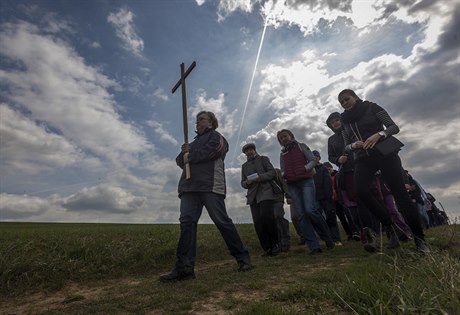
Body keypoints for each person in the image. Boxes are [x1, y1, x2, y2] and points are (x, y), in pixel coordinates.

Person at [160, 111, 252, 282]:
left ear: (211, 123)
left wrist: (191, 156)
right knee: (187, 224)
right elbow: (181, 162)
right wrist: (184, 153)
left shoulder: (217, 137)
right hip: (189, 187)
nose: (197, 122)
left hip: (210, 185)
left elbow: (214, 151)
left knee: (221, 221)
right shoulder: (192, 143)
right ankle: (184, 269)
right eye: (196, 120)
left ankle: (243, 258)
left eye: (201, 119)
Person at [338, 89, 428, 252]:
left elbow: (394, 127)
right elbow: (346, 145)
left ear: (355, 97)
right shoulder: (344, 120)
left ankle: (420, 239)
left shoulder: (372, 107)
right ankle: (390, 226)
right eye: (341, 102)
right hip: (363, 158)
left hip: (385, 153)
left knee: (400, 195)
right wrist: (353, 145)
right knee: (360, 191)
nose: (344, 103)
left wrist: (379, 134)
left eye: (346, 99)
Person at [277, 129, 334, 255]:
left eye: (284, 136)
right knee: (301, 216)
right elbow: (282, 169)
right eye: (280, 138)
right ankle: (313, 246)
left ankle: (327, 237)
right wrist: (284, 174)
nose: (283, 139)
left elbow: (313, 160)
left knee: (310, 210)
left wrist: (304, 168)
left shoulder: (301, 146)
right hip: (293, 184)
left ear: (291, 135)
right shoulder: (282, 154)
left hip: (306, 181)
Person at [241, 143, 280, 256]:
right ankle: (267, 248)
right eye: (247, 151)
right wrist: (246, 183)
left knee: (266, 217)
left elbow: (272, 173)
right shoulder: (244, 166)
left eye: (251, 150)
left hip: (266, 192)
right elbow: (242, 182)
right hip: (253, 196)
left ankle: (276, 244)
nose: (249, 152)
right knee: (258, 222)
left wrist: (260, 177)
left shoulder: (263, 159)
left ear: (254, 150)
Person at [312, 150, 342, 246]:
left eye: (316, 156)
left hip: (326, 198)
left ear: (319, 158)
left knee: (331, 217)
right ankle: (327, 239)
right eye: (312, 157)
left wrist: (329, 196)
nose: (314, 158)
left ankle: (336, 239)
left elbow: (328, 184)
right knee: (320, 219)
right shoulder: (309, 170)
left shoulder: (323, 168)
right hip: (315, 199)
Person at [273, 168, 291, 251]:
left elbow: (283, 183)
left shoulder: (276, 171)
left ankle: (285, 240)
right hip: (265, 200)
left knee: (278, 216)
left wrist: (288, 195)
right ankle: (277, 242)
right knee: (272, 220)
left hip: (277, 198)